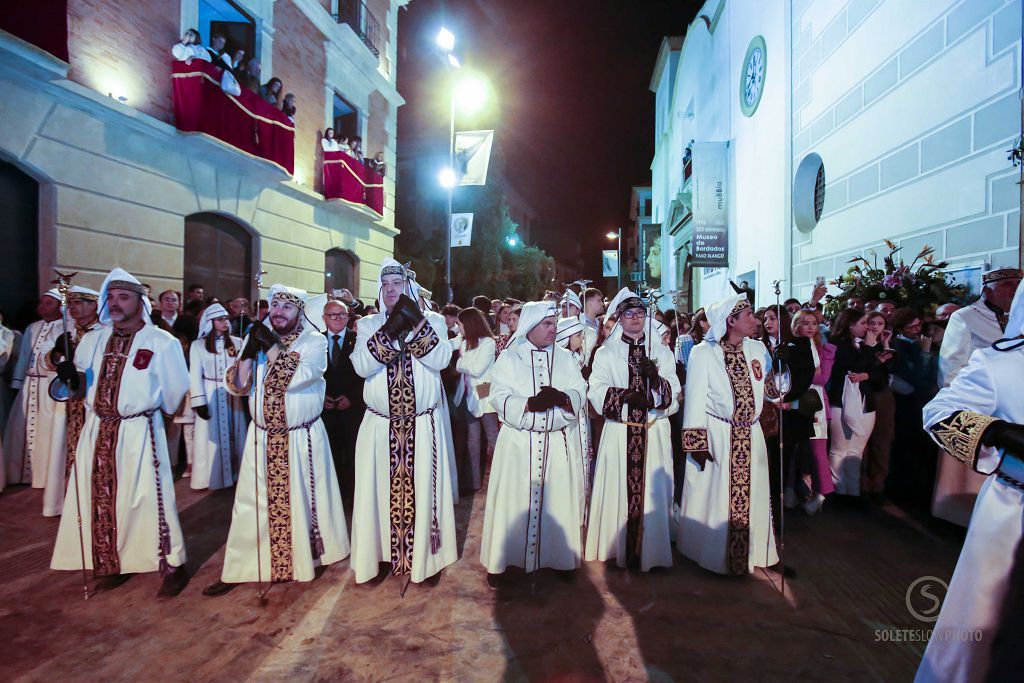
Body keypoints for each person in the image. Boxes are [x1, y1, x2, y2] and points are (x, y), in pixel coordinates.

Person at [50, 268, 190, 597]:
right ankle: (114, 561)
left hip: (140, 429)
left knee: (150, 499)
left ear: (140, 303)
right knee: (102, 499)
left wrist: (156, 416)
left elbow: (175, 389)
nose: (115, 303)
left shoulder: (161, 342)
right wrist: (71, 377)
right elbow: (81, 388)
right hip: (98, 429)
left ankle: (172, 564)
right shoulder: (94, 340)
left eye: (123, 297)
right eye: (110, 297)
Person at [203, 285, 349, 596]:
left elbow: (293, 380)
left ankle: (303, 561)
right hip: (262, 438)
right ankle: (240, 567)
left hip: (299, 439)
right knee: (250, 506)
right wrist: (246, 353)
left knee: (301, 505)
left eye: (287, 307)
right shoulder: (257, 342)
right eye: (275, 306)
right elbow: (238, 386)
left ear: (300, 312)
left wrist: (268, 345)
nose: (279, 312)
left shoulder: (314, 342)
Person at [914, 284, 1024, 683]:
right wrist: (999, 432)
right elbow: (939, 412)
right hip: (1014, 511)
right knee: (987, 621)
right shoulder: (1002, 364)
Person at [350, 260, 456, 585]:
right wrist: (390, 330)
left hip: (421, 425)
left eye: (398, 283)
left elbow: (441, 359)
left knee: (423, 492)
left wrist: (415, 325)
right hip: (381, 426)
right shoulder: (368, 325)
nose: (392, 289)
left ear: (409, 286)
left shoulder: (434, 320)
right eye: (387, 285)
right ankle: (378, 556)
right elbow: (361, 366)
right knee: (375, 494)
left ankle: (424, 559)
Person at [481, 301, 588, 584]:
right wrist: (528, 404)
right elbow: (497, 396)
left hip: (554, 444)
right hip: (518, 444)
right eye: (547, 324)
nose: (554, 329)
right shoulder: (509, 357)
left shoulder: (565, 359)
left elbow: (580, 390)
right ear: (530, 326)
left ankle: (558, 559)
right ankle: (505, 563)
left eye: (554, 324)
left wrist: (563, 399)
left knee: (556, 503)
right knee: (512, 504)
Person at [678, 294, 780, 576]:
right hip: (720, 435)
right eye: (748, 315)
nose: (755, 320)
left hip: (752, 434)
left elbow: (772, 392)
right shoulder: (703, 353)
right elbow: (696, 398)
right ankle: (713, 556)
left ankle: (756, 552)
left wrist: (782, 368)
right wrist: (696, 443)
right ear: (730, 321)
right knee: (716, 497)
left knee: (756, 494)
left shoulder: (758, 349)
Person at [586, 289, 680, 572]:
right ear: (619, 318)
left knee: (654, 488)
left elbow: (675, 393)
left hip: (653, 430)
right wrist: (625, 397)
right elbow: (596, 390)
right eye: (628, 314)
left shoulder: (661, 351)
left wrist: (656, 382)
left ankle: (653, 552)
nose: (635, 318)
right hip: (620, 431)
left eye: (640, 313)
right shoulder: (606, 352)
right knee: (619, 488)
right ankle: (617, 548)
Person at [933, 268, 1021, 524]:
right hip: (977, 403)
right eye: (1006, 284)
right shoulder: (965, 317)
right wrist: (968, 403)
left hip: (1011, 405)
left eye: (1017, 284)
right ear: (988, 288)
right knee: (968, 477)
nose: (1013, 289)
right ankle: (961, 517)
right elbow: (950, 366)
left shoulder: (1018, 315)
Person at [42, 285, 102, 517]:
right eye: (72, 303)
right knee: (64, 450)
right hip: (67, 401)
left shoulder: (102, 332)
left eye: (80, 303)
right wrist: (58, 354)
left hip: (90, 400)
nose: (74, 308)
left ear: (94, 306)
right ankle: (66, 501)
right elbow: (48, 361)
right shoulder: (66, 330)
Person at [3, 290, 63, 489]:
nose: (43, 307)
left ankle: (42, 476)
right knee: (20, 429)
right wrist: (18, 383)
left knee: (46, 430)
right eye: (41, 303)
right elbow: (24, 357)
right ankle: (17, 473)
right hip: (30, 384)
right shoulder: (32, 327)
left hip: (48, 385)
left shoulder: (65, 327)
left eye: (49, 303)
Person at [826, 309, 885, 496]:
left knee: (857, 450)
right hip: (841, 401)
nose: (868, 327)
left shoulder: (872, 344)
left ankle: (853, 490)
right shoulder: (837, 344)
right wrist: (868, 349)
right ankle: (837, 489)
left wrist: (867, 374)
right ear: (850, 325)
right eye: (863, 323)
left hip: (865, 402)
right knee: (839, 448)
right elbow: (853, 365)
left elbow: (881, 375)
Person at [188, 304, 247, 491]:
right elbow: (194, 374)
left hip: (232, 394)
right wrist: (199, 401)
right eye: (220, 319)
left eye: (227, 319)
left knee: (235, 433)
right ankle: (207, 478)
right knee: (209, 436)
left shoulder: (237, 343)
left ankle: (236, 476)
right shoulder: (198, 346)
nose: (225, 323)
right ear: (210, 322)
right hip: (210, 391)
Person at [887, 308, 939, 505]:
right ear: (901, 329)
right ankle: (902, 492)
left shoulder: (920, 342)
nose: (917, 330)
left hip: (923, 401)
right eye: (912, 327)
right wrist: (924, 352)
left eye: (919, 325)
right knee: (904, 446)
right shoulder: (898, 346)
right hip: (907, 403)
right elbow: (916, 377)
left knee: (920, 449)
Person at [791, 309, 836, 515]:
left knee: (817, 450)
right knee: (794, 451)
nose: (810, 327)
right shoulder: (792, 346)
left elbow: (821, 378)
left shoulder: (823, 348)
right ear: (796, 325)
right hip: (794, 401)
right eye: (805, 323)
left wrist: (806, 374)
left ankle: (821, 494)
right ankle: (793, 491)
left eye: (814, 323)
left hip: (814, 402)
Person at [321, 299, 364, 507]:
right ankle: (333, 501)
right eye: (332, 315)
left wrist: (352, 398)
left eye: (341, 314)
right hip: (325, 412)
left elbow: (366, 376)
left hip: (352, 411)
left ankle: (353, 500)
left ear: (348, 317)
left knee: (354, 455)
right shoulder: (316, 342)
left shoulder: (359, 340)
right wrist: (321, 398)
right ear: (324, 318)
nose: (337, 318)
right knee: (329, 456)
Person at [453, 307, 498, 492]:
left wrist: (461, 364)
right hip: (469, 393)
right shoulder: (463, 342)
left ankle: (499, 480)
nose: (458, 327)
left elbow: (477, 369)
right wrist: (465, 365)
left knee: (493, 438)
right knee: (473, 440)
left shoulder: (488, 342)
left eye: (460, 324)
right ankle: (475, 483)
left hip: (486, 392)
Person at [556, 316, 592, 524]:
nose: (582, 339)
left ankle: (581, 511)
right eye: (579, 336)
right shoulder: (563, 360)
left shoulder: (576, 358)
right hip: (568, 420)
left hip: (580, 418)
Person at [861, 311, 896, 501]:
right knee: (863, 442)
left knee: (882, 440)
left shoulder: (888, 347)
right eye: (871, 323)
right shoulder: (859, 345)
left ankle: (878, 485)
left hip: (882, 395)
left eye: (880, 323)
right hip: (863, 394)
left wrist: (887, 345)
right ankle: (862, 484)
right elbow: (862, 368)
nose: (875, 327)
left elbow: (890, 371)